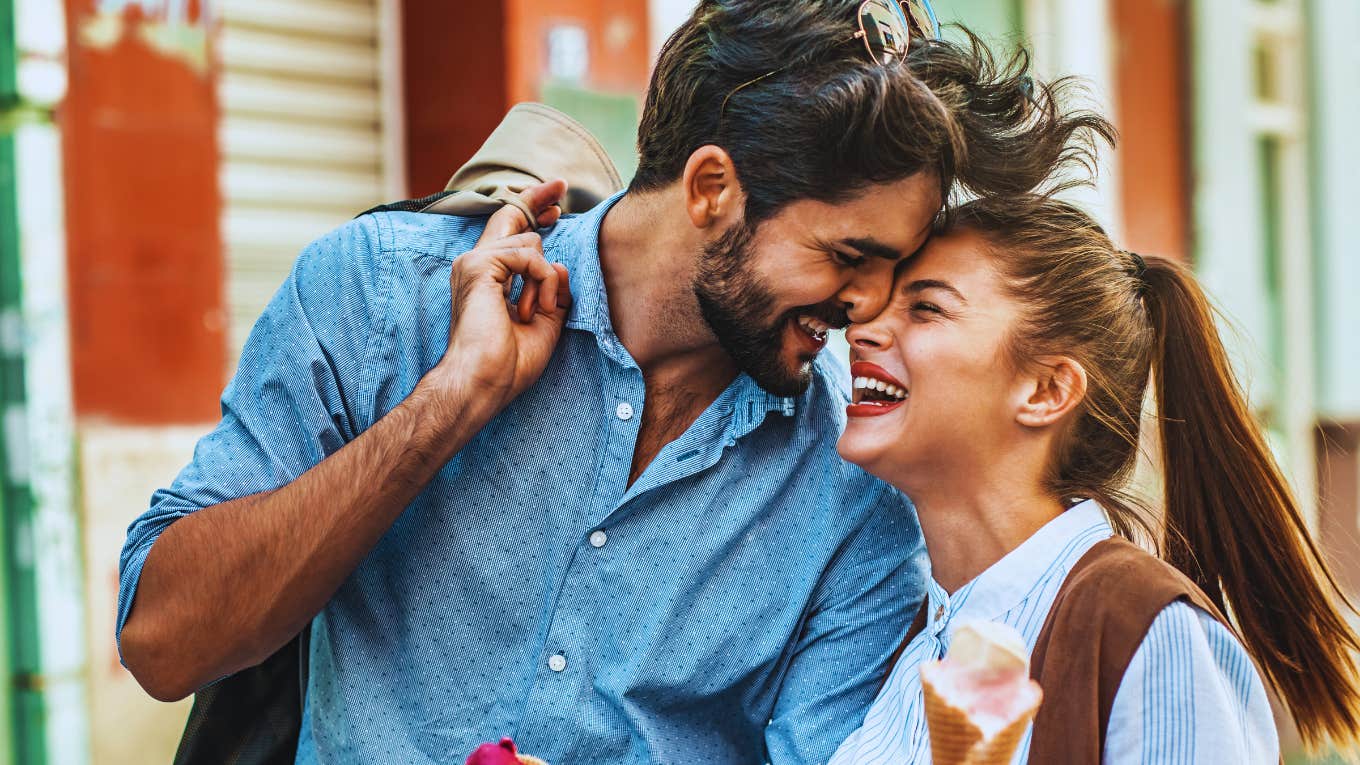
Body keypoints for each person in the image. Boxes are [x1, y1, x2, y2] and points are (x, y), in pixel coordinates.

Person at [115, 2, 1108, 763]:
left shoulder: (858, 480)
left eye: (895, 267)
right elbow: (164, 645)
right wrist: (443, 410)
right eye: (848, 253)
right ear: (713, 189)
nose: (870, 301)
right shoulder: (383, 296)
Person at [828, 196, 1360, 763]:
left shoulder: (1149, 632)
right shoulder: (911, 634)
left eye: (927, 308)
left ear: (1047, 392)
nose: (862, 328)